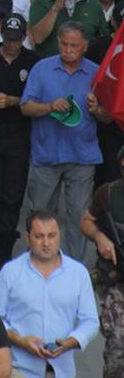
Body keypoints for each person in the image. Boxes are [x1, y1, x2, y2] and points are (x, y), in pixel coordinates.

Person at [20, 20, 104, 262]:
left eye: (74, 46)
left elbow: (108, 117)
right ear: (58, 43)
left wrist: (97, 110)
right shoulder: (42, 68)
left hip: (82, 155)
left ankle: (74, 268)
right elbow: (25, 107)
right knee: (40, 214)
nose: (68, 50)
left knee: (79, 215)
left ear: (85, 46)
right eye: (64, 44)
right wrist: (49, 106)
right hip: (46, 153)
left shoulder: (96, 73)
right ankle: (37, 265)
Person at [0, 210, 99, 378]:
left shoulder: (78, 273)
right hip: (19, 369)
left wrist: (70, 343)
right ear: (28, 237)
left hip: (62, 371)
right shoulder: (11, 272)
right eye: (39, 236)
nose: (46, 243)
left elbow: (90, 321)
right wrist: (20, 341)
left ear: (59, 235)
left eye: (51, 236)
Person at [0, 12, 39, 270]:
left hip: (19, 133)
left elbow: (38, 97)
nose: (12, 44)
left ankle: (6, 245)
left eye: (17, 39)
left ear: (24, 37)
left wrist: (14, 101)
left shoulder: (32, 61)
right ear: (1, 35)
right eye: (8, 38)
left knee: (13, 195)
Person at [80, 146, 124, 377]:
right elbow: (86, 221)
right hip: (116, 279)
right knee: (117, 345)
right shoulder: (109, 193)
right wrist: (100, 238)